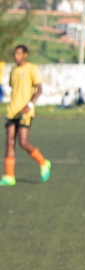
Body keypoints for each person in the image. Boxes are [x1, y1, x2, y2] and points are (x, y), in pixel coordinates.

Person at [3, 45, 50, 186]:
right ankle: (9, 176)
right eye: (15, 53)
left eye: (18, 53)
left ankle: (43, 162)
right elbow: (14, 88)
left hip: (25, 112)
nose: (15, 56)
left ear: (25, 55)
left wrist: (29, 105)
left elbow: (39, 90)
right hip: (12, 111)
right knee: (9, 142)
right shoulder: (13, 70)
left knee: (23, 142)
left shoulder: (32, 68)